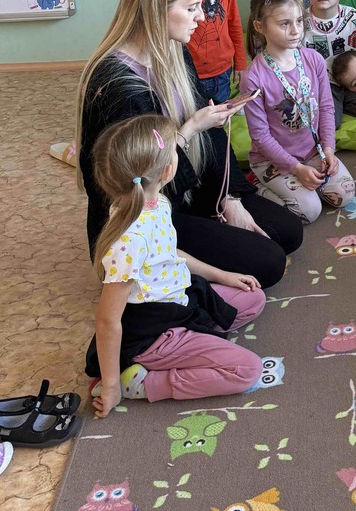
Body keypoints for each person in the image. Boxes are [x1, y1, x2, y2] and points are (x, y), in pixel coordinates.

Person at [76, 0, 300, 290]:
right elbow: (139, 182)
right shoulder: (117, 85)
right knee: (269, 262)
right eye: (192, 7)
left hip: (188, 188)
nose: (202, 17)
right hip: (146, 214)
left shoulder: (175, 50)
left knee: (288, 232)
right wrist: (188, 130)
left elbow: (210, 129)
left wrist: (229, 198)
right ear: (156, 9)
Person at [87, 115, 266, 415]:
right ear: (168, 171)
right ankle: (141, 383)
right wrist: (111, 386)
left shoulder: (156, 203)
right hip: (154, 331)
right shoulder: (128, 240)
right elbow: (107, 321)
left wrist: (222, 275)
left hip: (179, 299)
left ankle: (194, 338)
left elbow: (169, 254)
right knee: (247, 370)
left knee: (253, 298)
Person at [240, 0, 356, 224]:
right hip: (272, 161)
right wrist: (296, 169)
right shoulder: (253, 77)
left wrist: (328, 149)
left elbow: (326, 108)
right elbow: (260, 136)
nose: (295, 30)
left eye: (299, 21)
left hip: (313, 151)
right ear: (260, 27)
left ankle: (300, 184)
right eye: (284, 24)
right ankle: (255, 188)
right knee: (308, 211)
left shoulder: (313, 59)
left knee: (344, 194)